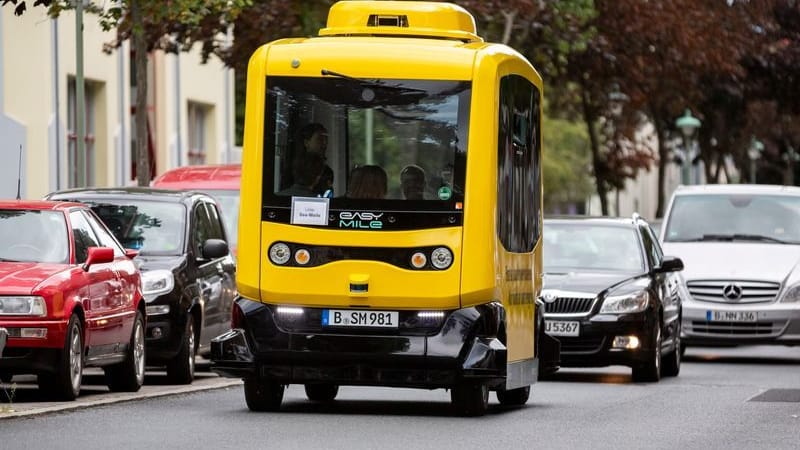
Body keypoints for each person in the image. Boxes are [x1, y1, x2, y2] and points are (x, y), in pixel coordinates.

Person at [298, 122, 334, 197]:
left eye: (326, 139)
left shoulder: (328, 172)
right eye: (319, 139)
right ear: (306, 143)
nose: (325, 143)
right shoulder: (295, 169)